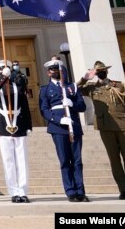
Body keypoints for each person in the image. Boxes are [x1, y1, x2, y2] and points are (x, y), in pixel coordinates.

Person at [77, 60, 125, 200]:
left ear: (107, 71)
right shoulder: (92, 87)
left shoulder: (118, 85)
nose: (101, 73)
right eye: (98, 71)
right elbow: (76, 89)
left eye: (102, 70)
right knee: (114, 159)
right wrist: (86, 77)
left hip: (123, 125)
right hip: (105, 126)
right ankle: (123, 189)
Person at [39, 59, 88, 202]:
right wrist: (58, 119)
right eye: (53, 69)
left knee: (77, 161)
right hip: (58, 128)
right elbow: (44, 110)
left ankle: (80, 191)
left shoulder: (72, 87)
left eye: (58, 69)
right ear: (49, 73)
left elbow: (82, 106)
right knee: (65, 161)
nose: (56, 72)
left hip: (74, 126)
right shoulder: (45, 90)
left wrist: (72, 104)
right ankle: (71, 191)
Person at [0, 60, 32, 203]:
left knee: (22, 160)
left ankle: (23, 191)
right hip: (3, 124)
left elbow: (25, 106)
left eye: (5, 68)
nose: (3, 70)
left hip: (18, 123)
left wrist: (28, 126)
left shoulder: (18, 86)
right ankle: (13, 191)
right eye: (0, 69)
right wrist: (3, 78)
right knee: (8, 161)